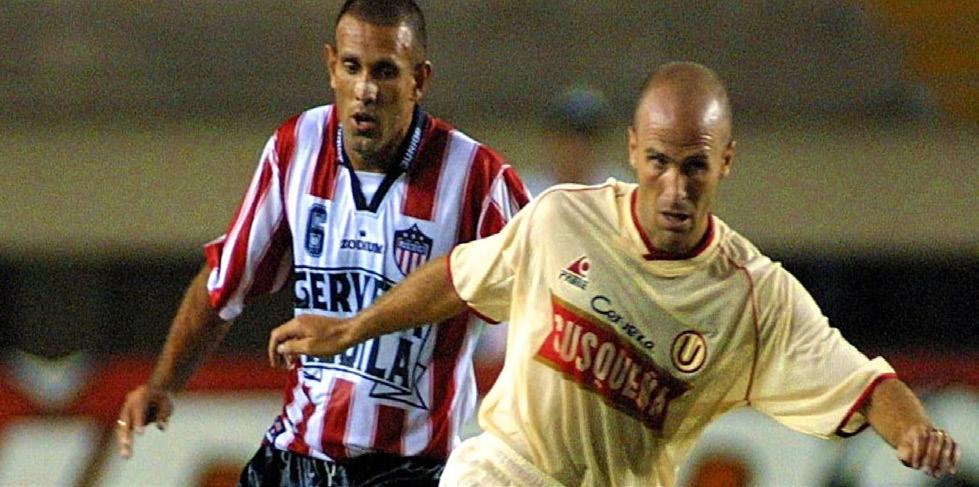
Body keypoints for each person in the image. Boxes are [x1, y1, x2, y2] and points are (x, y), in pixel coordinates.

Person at [268, 62, 962, 486]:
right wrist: (352, 328)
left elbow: (863, 382)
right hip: (505, 471)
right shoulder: (561, 218)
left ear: (725, 161)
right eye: (659, 162)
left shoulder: (754, 296)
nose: (675, 188)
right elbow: (458, 275)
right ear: (632, 150)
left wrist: (911, 431)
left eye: (695, 166)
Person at [115, 1, 531, 485]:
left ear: (419, 80)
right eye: (352, 67)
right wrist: (163, 383)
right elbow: (226, 278)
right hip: (295, 458)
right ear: (331, 66)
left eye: (385, 72)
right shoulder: (296, 146)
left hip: (409, 470)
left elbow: (548, 294)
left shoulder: (477, 177)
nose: (366, 90)